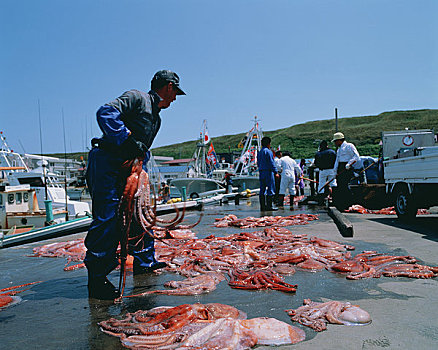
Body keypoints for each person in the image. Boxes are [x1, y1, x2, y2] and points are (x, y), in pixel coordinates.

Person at [85, 70, 185, 300]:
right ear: (168, 87)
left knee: (141, 213)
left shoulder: (157, 117)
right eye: (175, 92)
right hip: (108, 163)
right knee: (109, 217)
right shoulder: (136, 98)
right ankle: (97, 277)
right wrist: (126, 139)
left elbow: (142, 148)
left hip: (133, 166)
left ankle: (144, 261)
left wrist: (139, 162)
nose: (175, 98)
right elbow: (105, 112)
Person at [332, 132, 362, 210]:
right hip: (341, 168)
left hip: (347, 168)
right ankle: (342, 204)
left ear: (339, 140)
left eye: (336, 141)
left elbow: (356, 156)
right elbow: (337, 161)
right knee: (341, 187)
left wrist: (349, 164)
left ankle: (349, 204)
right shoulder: (339, 149)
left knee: (346, 186)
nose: (335, 143)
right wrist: (335, 171)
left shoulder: (349, 146)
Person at [257, 136, 279, 211]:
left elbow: (258, 163)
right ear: (268, 144)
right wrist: (276, 171)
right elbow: (271, 163)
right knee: (270, 189)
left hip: (261, 172)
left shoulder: (260, 152)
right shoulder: (268, 151)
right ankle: (269, 206)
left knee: (262, 190)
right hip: (268, 172)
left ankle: (262, 207)